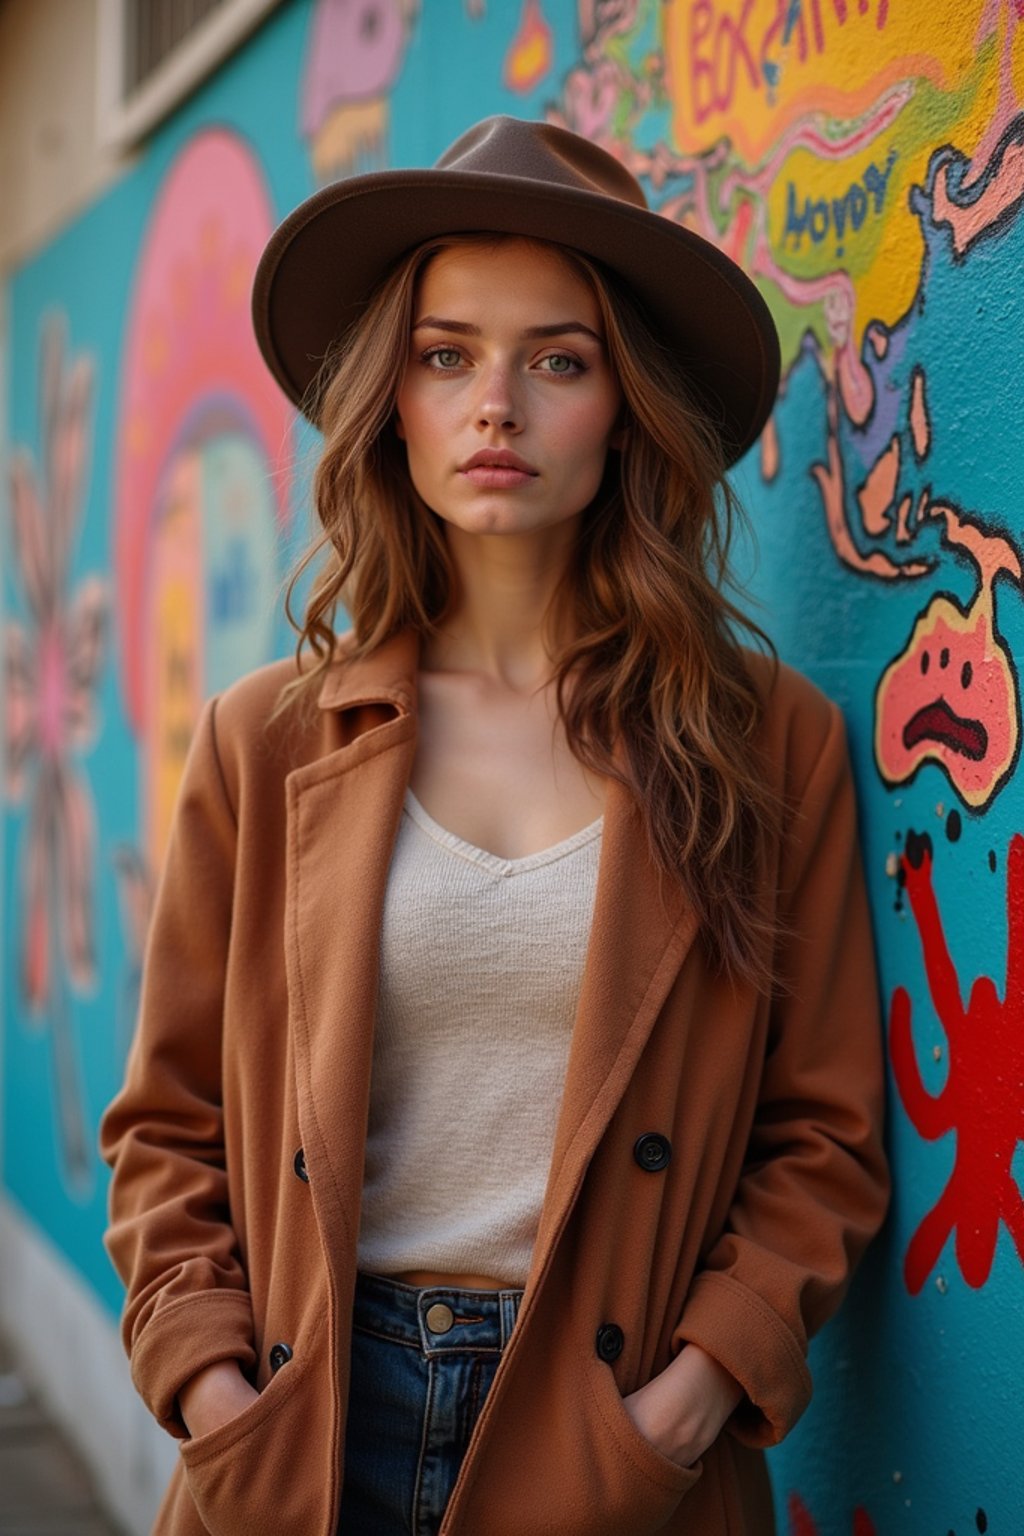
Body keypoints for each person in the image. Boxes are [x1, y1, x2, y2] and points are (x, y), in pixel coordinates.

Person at [100, 116, 889, 1536]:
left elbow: (823, 1136)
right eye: (445, 353)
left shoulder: (765, 741)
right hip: (310, 1417)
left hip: (612, 1431)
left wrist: (689, 1401)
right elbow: (168, 1123)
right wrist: (214, 1388)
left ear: (625, 402)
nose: (497, 406)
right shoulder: (270, 737)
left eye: (560, 360)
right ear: (388, 401)